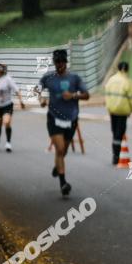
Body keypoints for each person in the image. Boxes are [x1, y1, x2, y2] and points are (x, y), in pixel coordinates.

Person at [37, 49, 89, 196]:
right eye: (57, 62)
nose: (59, 64)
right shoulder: (48, 77)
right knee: (60, 149)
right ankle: (63, 183)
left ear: (66, 62)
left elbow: (86, 95)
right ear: (54, 62)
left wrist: (73, 95)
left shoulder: (74, 78)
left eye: (62, 62)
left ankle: (57, 166)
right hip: (53, 118)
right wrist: (41, 99)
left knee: (64, 150)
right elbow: (37, 89)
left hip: (71, 118)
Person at [105, 61, 132, 165]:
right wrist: (131, 110)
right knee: (120, 133)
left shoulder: (111, 80)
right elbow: (131, 98)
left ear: (118, 69)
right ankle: (116, 157)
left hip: (112, 110)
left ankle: (115, 156)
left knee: (114, 132)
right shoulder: (128, 81)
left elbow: (107, 95)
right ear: (127, 69)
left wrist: (108, 107)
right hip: (123, 111)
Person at [0, 63, 25, 151]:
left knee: (6, 122)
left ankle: (8, 143)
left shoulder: (8, 79)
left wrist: (21, 101)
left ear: (0, 71)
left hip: (7, 105)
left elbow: (17, 90)